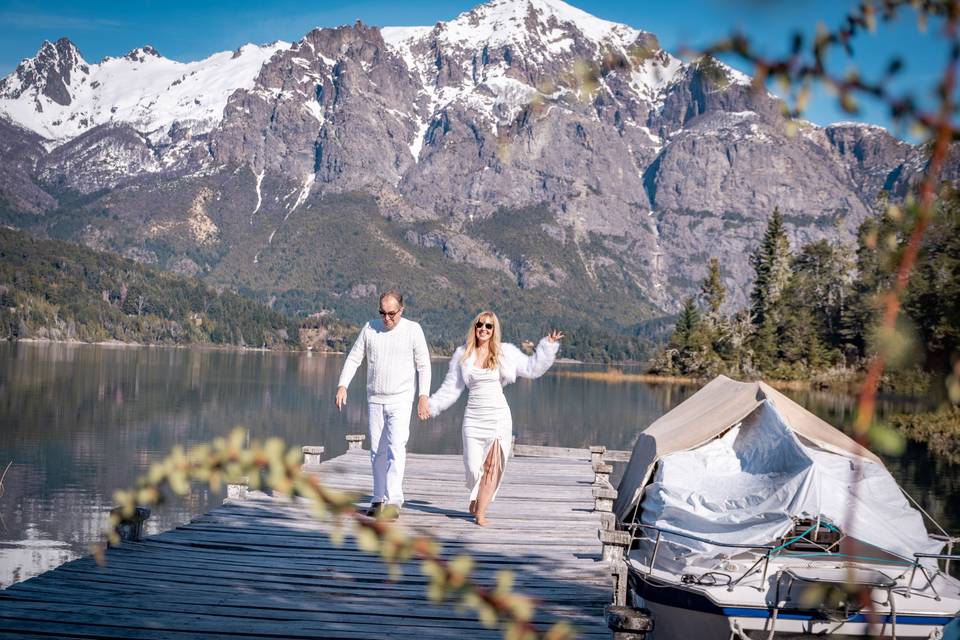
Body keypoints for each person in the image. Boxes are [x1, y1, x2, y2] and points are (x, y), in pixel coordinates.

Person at [424, 311, 563, 526]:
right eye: (480, 324)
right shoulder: (463, 354)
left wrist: (547, 346)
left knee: (492, 466)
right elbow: (451, 388)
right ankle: (477, 497)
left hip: (498, 416)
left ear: (494, 329)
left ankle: (480, 512)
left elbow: (531, 368)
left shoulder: (505, 352)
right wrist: (431, 406)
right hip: (473, 417)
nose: (484, 329)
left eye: (489, 326)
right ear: (475, 327)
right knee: (472, 467)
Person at [336, 291, 431, 520]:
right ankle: (378, 498)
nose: (387, 318)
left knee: (396, 447)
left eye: (392, 313)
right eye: (383, 313)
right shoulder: (370, 328)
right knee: (377, 451)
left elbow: (424, 365)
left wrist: (423, 396)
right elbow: (354, 358)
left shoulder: (412, 330)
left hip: (401, 398)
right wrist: (342, 385)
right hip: (375, 398)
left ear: (401, 310)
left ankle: (394, 499)